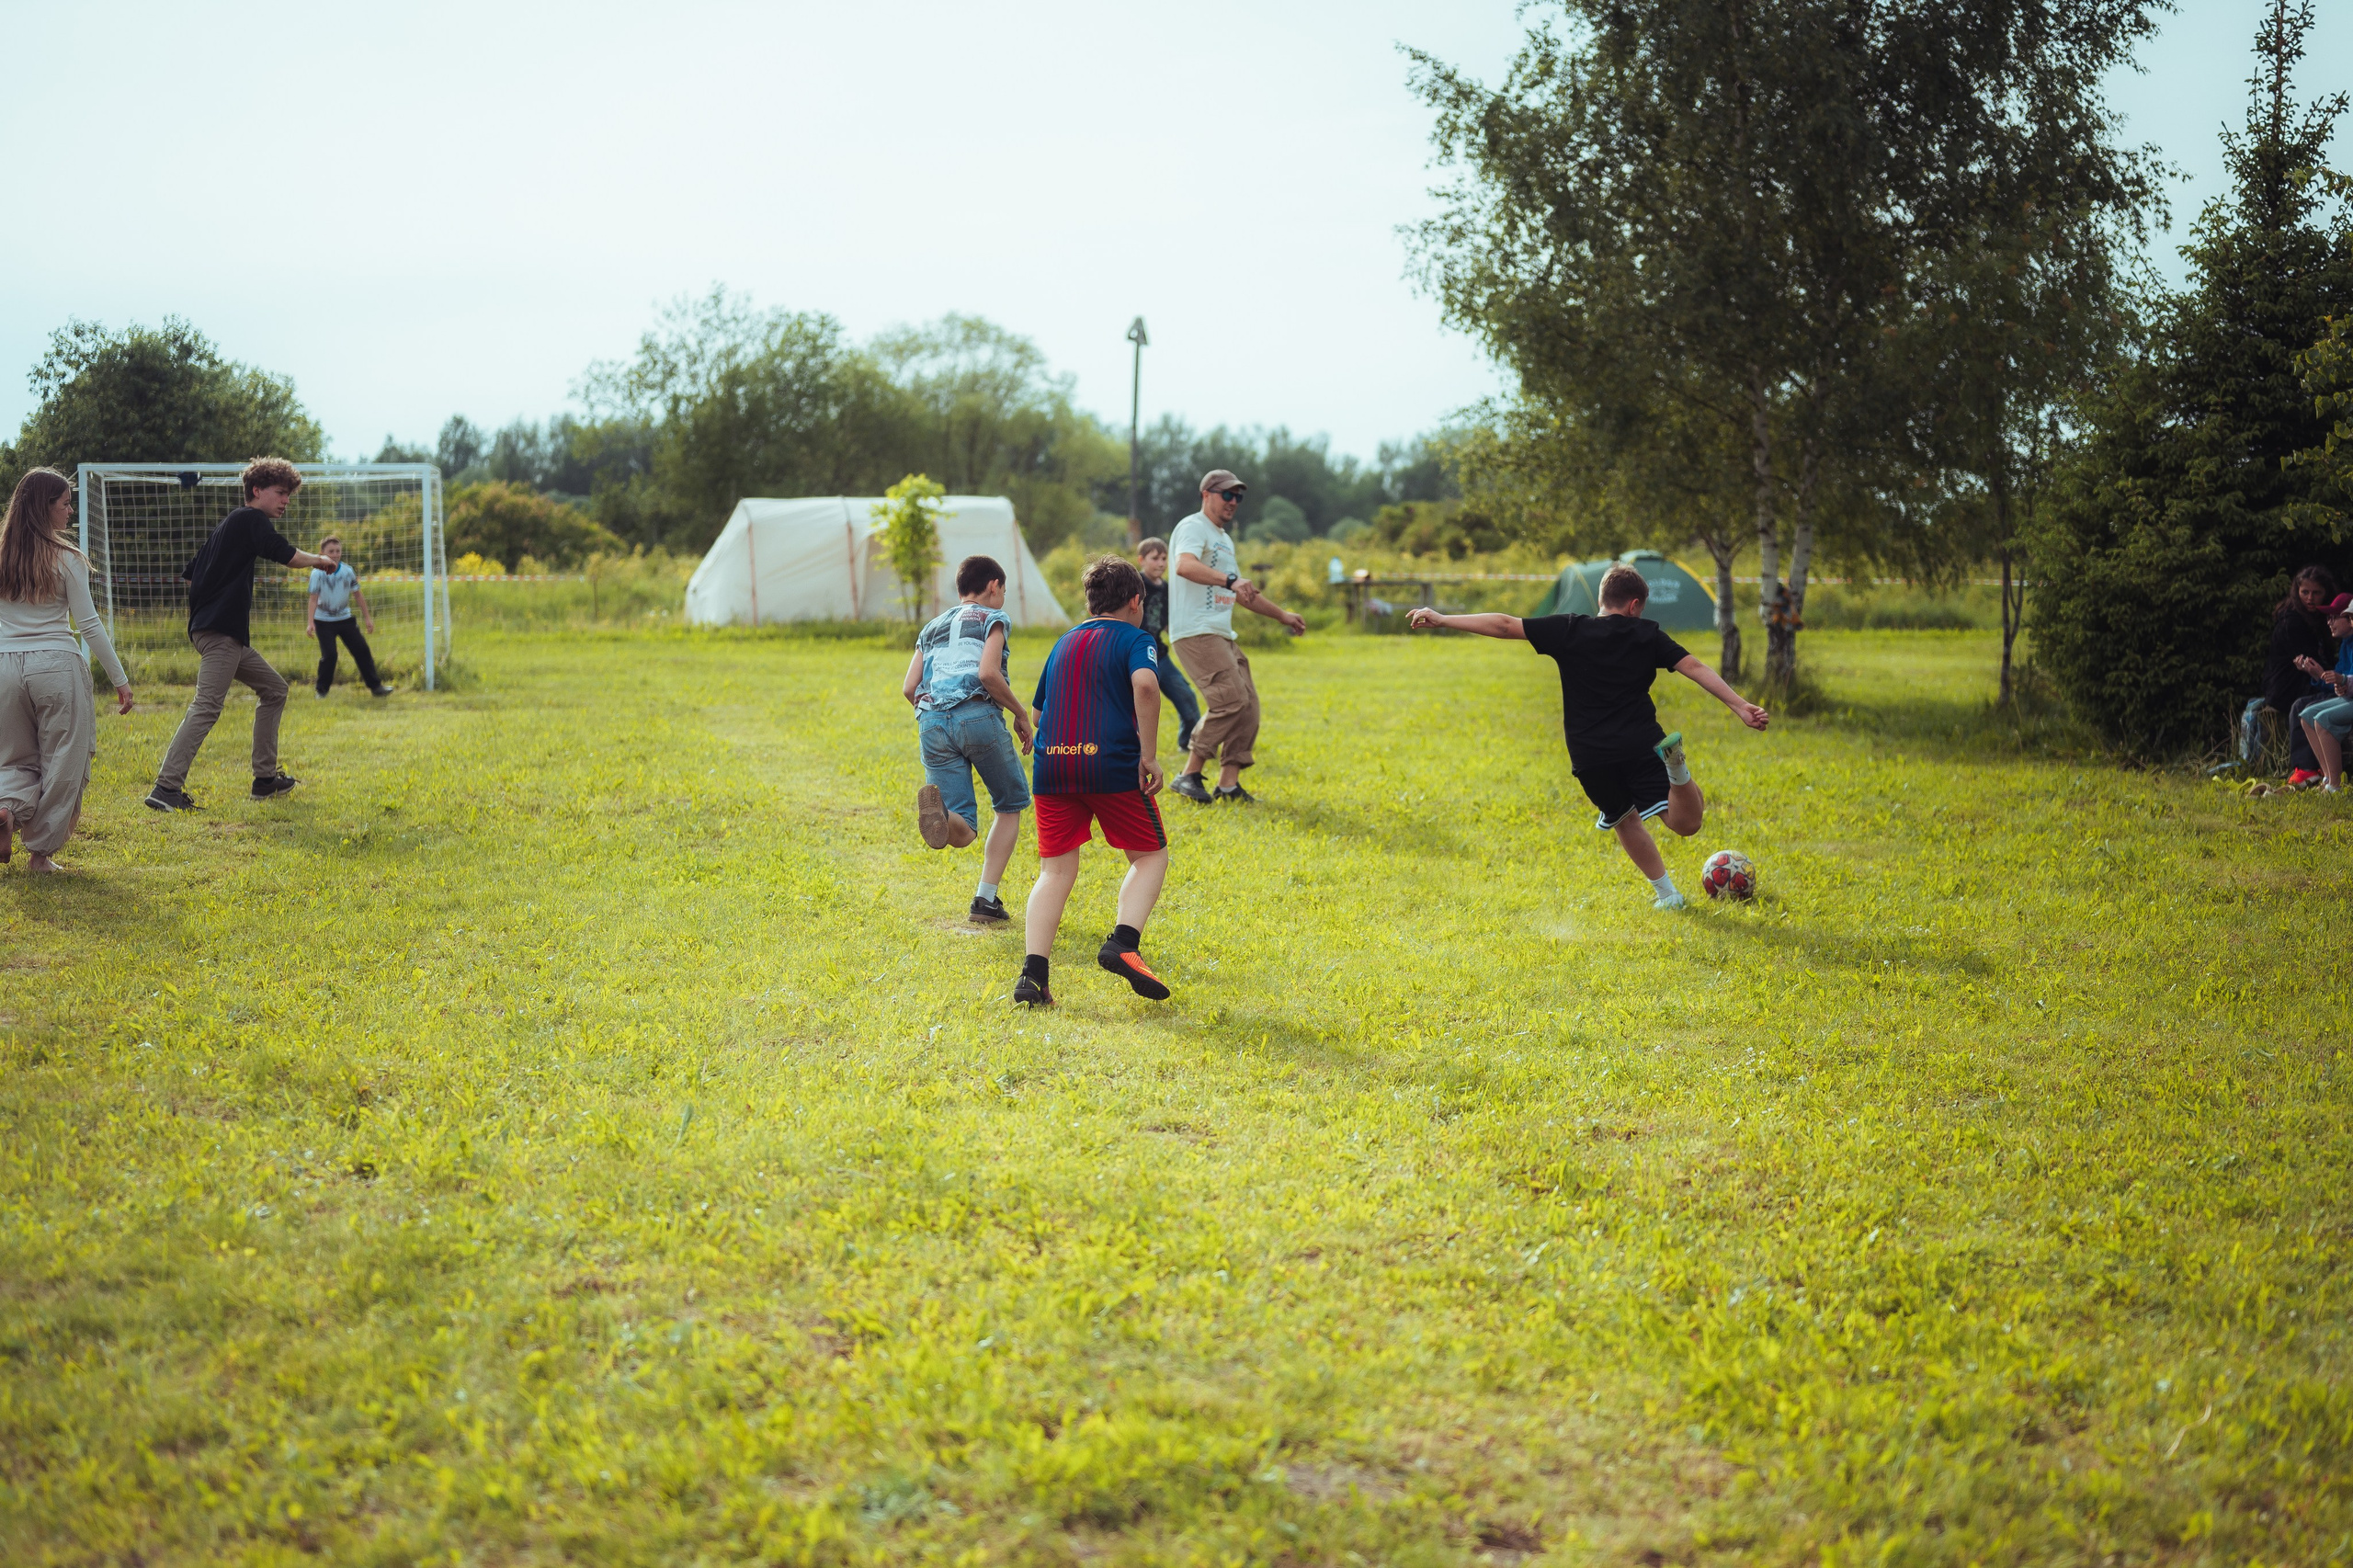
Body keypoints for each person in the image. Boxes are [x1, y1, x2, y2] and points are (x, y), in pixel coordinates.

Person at [1407, 562, 1770, 909]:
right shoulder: (1646, 634)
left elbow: (1504, 624)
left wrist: (1441, 618)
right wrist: (1739, 705)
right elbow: (1693, 666)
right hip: (1639, 742)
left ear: (1601, 600)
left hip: (1590, 755)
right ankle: (1677, 771)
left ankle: (1668, 895)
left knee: (1623, 818)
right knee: (1686, 823)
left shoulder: (1569, 629)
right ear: (1634, 605)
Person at [1015, 555, 1171, 1006]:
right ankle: (1123, 942)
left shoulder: (1064, 642)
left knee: (1056, 871)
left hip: (1053, 768)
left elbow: (1040, 712)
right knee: (1149, 856)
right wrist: (1149, 756)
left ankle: (1033, 979)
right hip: (1109, 765)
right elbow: (1145, 685)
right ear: (1136, 600)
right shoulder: (1136, 638)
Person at [144, 457, 336, 812]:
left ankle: (265, 781)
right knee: (207, 706)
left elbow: (190, 574)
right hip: (221, 633)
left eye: (289, 495)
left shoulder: (227, 527)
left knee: (275, 689)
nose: (286, 500)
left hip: (218, 632)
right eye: (280, 493)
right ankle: (166, 788)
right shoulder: (250, 518)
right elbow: (285, 555)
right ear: (257, 491)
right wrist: (320, 561)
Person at [0, 469, 133, 874]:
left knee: (12, 757)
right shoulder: (68, 559)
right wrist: (120, 680)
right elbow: (89, 624)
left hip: (4, 667)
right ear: (46, 508)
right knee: (65, 758)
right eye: (64, 504)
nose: (70, 511)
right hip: (55, 665)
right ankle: (40, 855)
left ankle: (5, 808)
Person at [904, 554, 1034, 924]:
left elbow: (909, 687)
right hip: (976, 713)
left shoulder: (930, 627)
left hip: (931, 723)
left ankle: (943, 814)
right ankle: (985, 900)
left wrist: (935, 713)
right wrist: (1020, 714)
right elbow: (988, 674)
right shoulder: (994, 618)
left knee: (962, 830)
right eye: (1004, 590)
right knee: (1010, 805)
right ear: (994, 586)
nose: (1003, 597)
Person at [1165, 469, 1306, 804]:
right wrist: (1229, 581)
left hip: (1220, 632)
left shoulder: (1224, 540)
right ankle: (1188, 774)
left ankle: (1228, 785)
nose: (1233, 502)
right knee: (1230, 701)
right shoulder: (1192, 526)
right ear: (1206, 494)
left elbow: (1244, 592)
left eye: (1238, 497)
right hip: (1196, 631)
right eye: (1226, 494)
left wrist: (1282, 615)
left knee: (1249, 706)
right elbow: (1184, 566)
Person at [2267, 564, 2339, 786]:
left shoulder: (2323, 618)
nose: (2310, 598)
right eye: (2304, 592)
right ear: (2296, 592)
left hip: (2314, 678)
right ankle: (2307, 768)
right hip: (2289, 684)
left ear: (2326, 593)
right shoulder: (2292, 621)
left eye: (2316, 593)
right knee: (2306, 706)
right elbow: (2312, 662)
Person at [1134, 536, 1199, 755]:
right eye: (1155, 558)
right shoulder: (1135, 584)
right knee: (1133, 706)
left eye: (1164, 558)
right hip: (1135, 656)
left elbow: (1170, 623)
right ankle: (1132, 748)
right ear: (1142, 560)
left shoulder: (1168, 589)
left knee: (1186, 696)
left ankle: (1188, 743)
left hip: (1159, 655)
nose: (1161, 563)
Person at [304, 536, 392, 698]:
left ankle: (376, 688)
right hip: (323, 621)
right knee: (330, 655)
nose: (335, 554)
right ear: (322, 553)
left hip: (345, 620)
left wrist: (367, 618)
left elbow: (358, 595)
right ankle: (321, 691)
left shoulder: (347, 571)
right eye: (331, 551)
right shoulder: (317, 574)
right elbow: (313, 599)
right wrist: (310, 623)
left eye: (338, 551)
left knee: (362, 650)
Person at [2292, 593, 2353, 791]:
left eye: (2335, 617)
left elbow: (2345, 678)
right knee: (2307, 715)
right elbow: (2341, 682)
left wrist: (2341, 681)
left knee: (2322, 720)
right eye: (2329, 617)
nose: (2329, 622)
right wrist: (2321, 676)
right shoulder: (2346, 644)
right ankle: (2327, 778)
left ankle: (2335, 785)